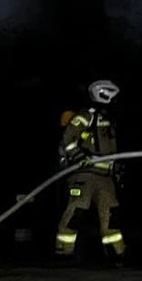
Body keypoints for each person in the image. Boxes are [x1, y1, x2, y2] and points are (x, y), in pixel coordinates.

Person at [55, 79, 125, 261]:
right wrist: (78, 157)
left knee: (111, 215)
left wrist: (117, 167)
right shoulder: (86, 116)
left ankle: (116, 253)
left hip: (105, 177)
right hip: (84, 175)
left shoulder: (109, 120)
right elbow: (67, 139)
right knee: (76, 212)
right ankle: (64, 251)